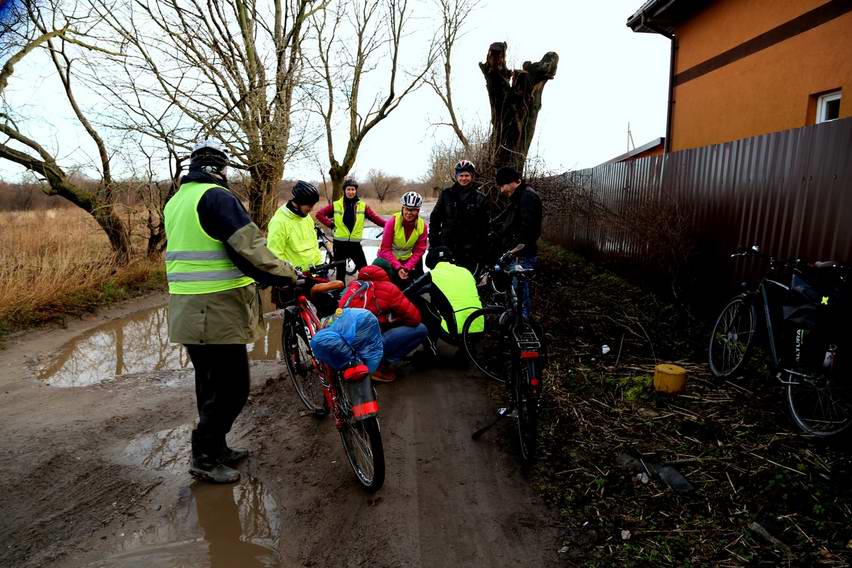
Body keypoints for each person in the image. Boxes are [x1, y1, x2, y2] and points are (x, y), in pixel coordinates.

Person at [164, 138, 299, 484]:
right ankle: (204, 455)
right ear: (220, 170)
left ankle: (216, 447)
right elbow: (250, 249)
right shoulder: (217, 197)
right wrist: (288, 276)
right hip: (216, 307)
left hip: (186, 307)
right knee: (234, 388)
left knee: (209, 384)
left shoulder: (177, 200)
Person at [338, 264, 427, 382]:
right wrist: (394, 319)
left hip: (344, 346)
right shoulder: (389, 288)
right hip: (368, 347)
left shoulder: (352, 286)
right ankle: (380, 365)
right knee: (421, 329)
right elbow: (414, 318)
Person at [493, 166, 542, 319]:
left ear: (512, 182)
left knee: (520, 292)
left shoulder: (527, 197)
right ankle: (516, 320)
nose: (501, 190)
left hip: (521, 255)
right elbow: (507, 223)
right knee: (515, 292)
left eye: (502, 186)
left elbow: (529, 232)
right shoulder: (519, 196)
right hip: (516, 254)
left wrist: (513, 250)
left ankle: (522, 324)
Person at [315, 179, 386, 281]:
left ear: (356, 191)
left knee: (364, 270)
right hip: (340, 245)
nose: (350, 192)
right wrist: (331, 225)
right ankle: (340, 294)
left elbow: (375, 218)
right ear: (344, 191)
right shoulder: (336, 205)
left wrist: (389, 225)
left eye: (353, 189)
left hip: (355, 245)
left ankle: (366, 291)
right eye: (348, 189)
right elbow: (319, 214)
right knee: (340, 272)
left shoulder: (363, 206)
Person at [429, 160, 491, 273]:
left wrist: (482, 250)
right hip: (447, 246)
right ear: (456, 176)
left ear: (472, 176)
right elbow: (435, 218)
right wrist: (434, 242)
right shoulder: (446, 194)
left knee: (467, 281)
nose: (464, 178)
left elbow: (484, 227)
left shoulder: (480, 198)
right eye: (461, 175)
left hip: (470, 250)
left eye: (467, 175)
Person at [267, 181, 323, 271]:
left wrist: (320, 263)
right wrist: (290, 275)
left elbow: (313, 244)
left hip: (316, 270)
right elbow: (275, 256)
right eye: (309, 205)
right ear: (298, 203)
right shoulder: (279, 222)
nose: (312, 209)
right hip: (295, 278)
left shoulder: (306, 217)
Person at [377, 191, 428, 285]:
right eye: (406, 209)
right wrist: (398, 267)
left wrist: (407, 267)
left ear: (418, 210)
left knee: (406, 290)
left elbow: (419, 250)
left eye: (413, 210)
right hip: (388, 261)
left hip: (405, 263)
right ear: (402, 208)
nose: (409, 212)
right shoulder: (392, 222)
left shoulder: (422, 226)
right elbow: (385, 249)